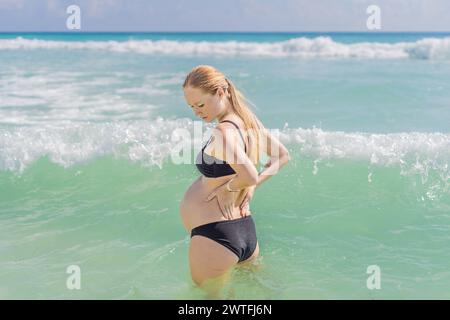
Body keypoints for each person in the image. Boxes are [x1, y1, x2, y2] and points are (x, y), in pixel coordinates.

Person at [180, 65, 290, 296]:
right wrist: (253, 187)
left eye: (201, 104)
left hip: (215, 236)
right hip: (245, 232)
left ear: (221, 92)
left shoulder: (223, 131)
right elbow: (282, 156)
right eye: (192, 107)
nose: (197, 112)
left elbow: (247, 174)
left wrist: (230, 188)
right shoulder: (249, 121)